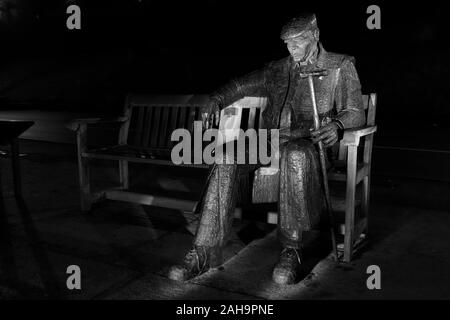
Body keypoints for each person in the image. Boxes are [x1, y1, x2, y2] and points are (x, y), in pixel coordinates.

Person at [168, 13, 365, 285]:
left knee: (295, 154)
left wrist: (339, 125)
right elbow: (239, 85)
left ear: (315, 36)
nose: (291, 49)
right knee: (226, 155)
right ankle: (203, 250)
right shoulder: (277, 69)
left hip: (308, 144)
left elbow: (356, 110)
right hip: (270, 140)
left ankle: (291, 250)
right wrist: (216, 99)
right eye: (287, 44)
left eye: (298, 42)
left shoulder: (340, 65)